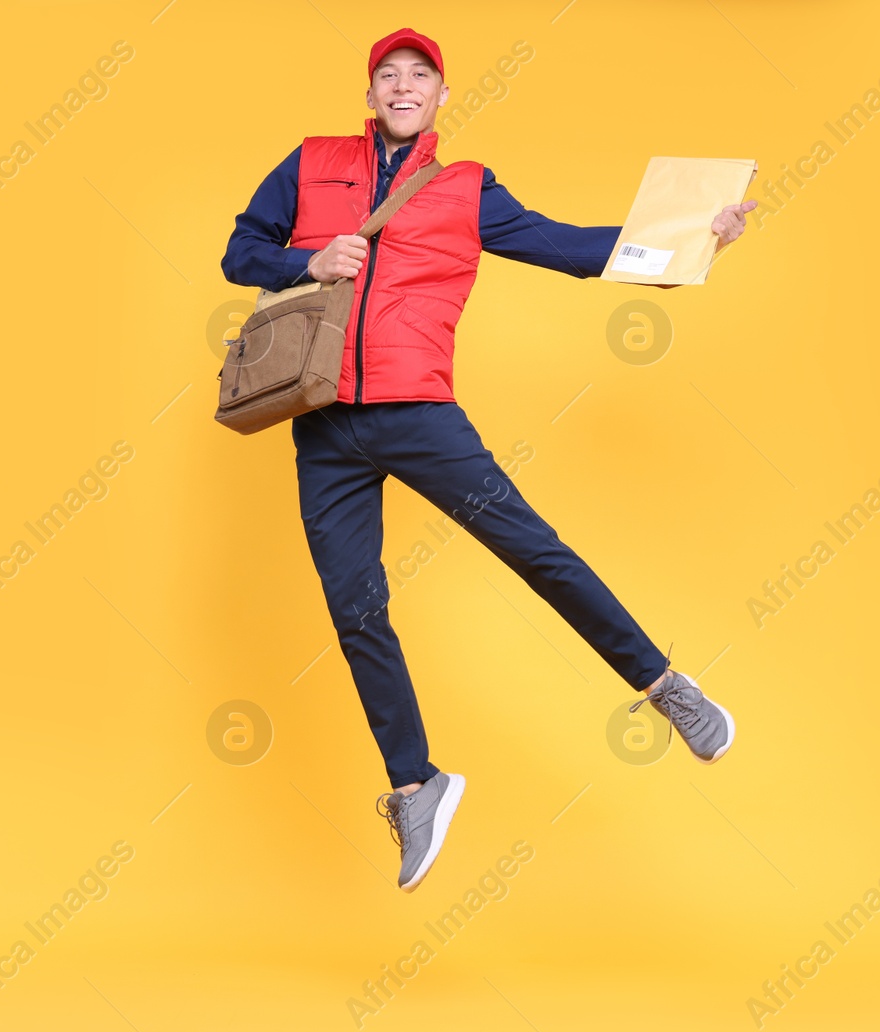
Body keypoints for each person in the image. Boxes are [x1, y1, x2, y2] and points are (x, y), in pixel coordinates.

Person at [221, 27, 755, 892]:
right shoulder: (311, 162)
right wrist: (303, 259)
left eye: (419, 76)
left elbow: (575, 249)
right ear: (370, 96)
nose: (402, 86)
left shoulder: (466, 189)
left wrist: (700, 240)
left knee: (537, 554)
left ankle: (663, 685)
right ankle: (415, 783)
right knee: (355, 608)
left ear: (439, 98)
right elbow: (239, 250)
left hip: (419, 414)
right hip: (322, 421)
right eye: (387, 75)